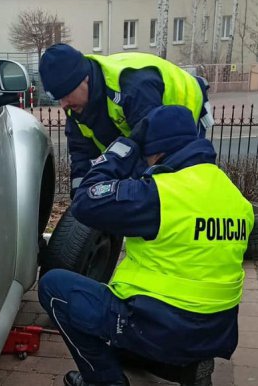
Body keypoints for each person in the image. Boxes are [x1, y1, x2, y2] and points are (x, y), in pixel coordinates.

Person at [38, 105, 254, 386]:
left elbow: (85, 202)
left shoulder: (159, 195)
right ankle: (187, 367)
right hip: (216, 331)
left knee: (54, 287)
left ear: (159, 151)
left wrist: (122, 150)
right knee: (130, 333)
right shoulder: (234, 197)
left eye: (147, 153)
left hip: (161, 328)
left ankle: (106, 381)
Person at [39, 44, 213, 198]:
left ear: (85, 78)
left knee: (173, 181)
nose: (63, 104)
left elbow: (148, 150)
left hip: (184, 113)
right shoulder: (75, 106)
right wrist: (80, 195)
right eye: (58, 99)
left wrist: (121, 197)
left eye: (66, 94)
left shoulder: (132, 87)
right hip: (145, 121)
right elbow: (82, 153)